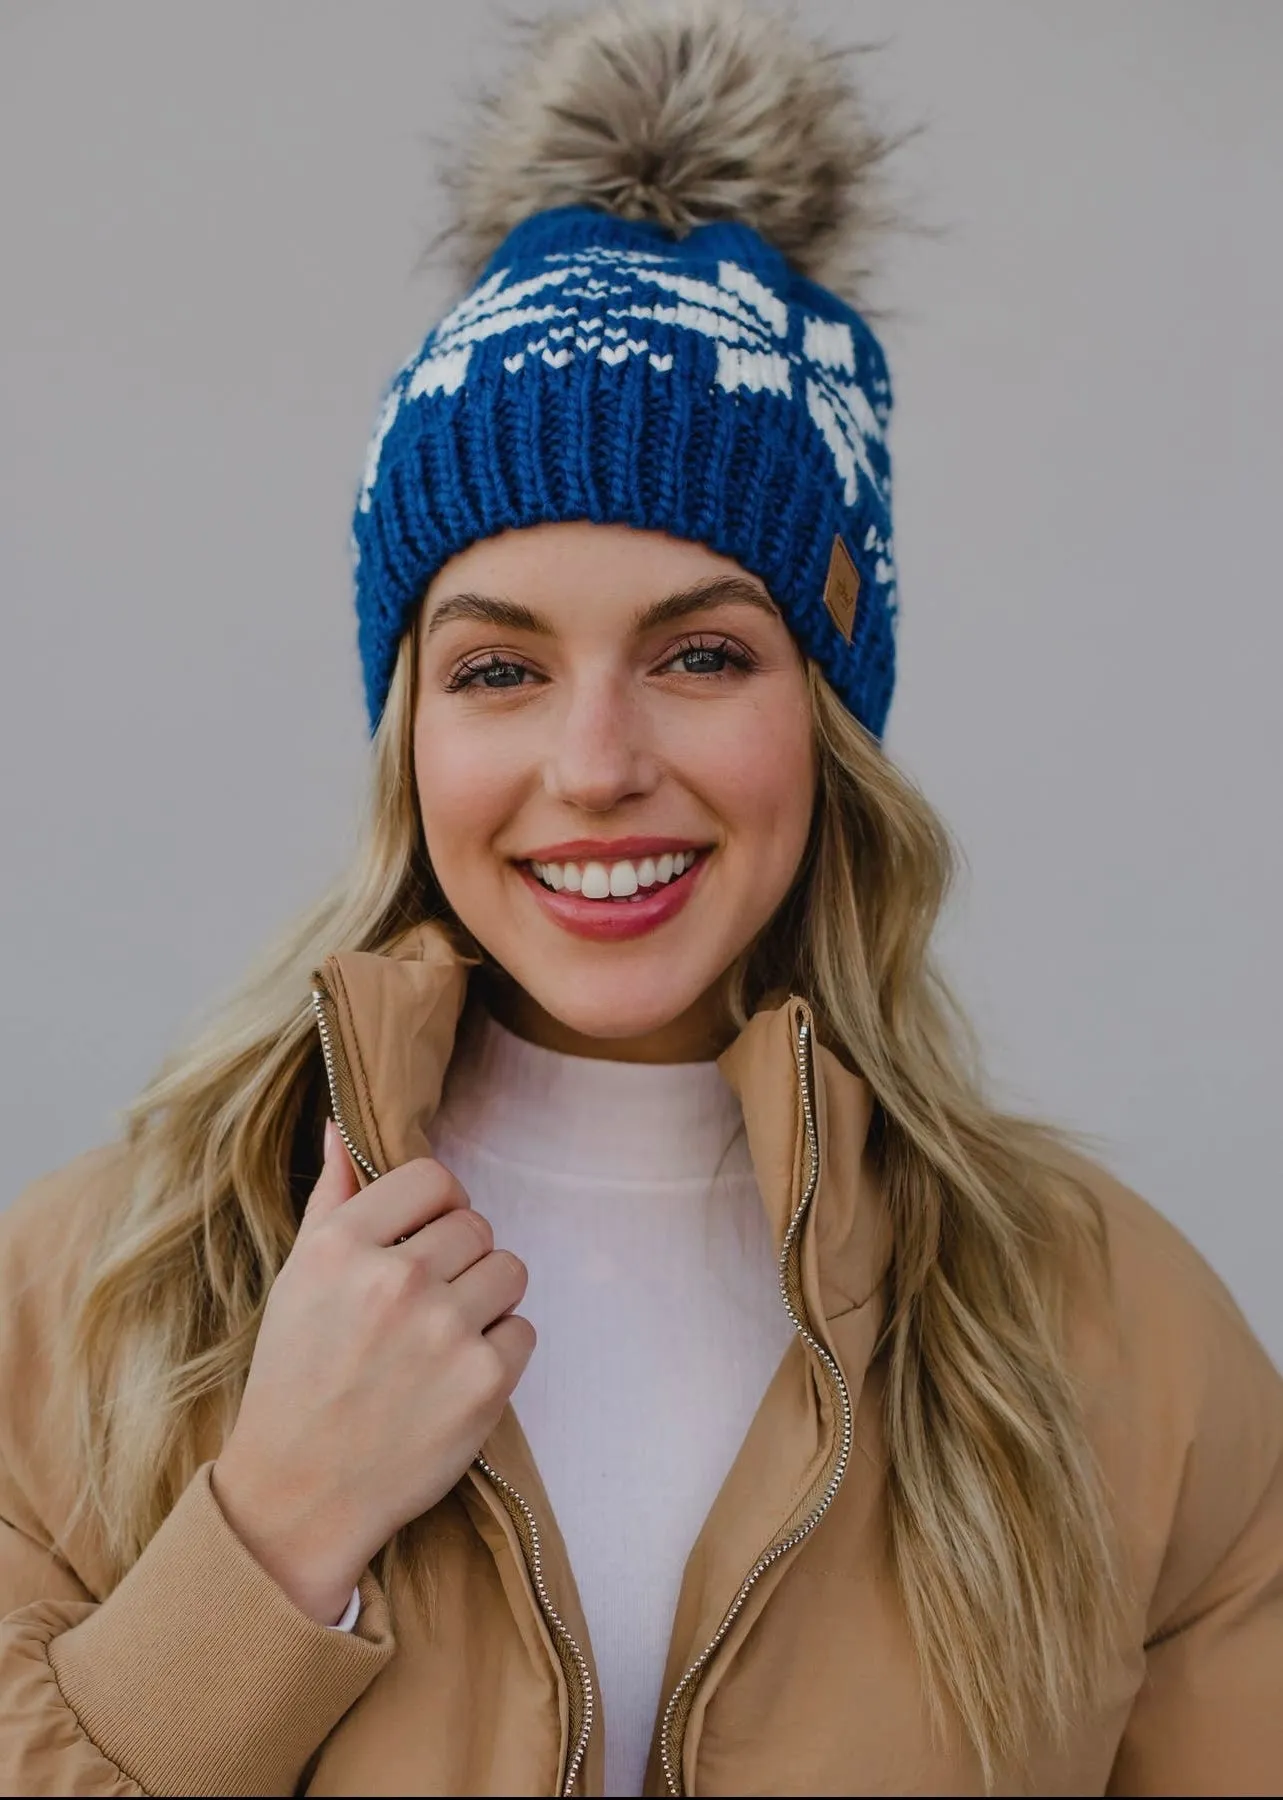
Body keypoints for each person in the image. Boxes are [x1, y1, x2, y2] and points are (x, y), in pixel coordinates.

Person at [1, 2, 1279, 1795]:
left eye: (697, 653)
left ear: (827, 718)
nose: (594, 763)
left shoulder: (1125, 1346)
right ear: (410, 733)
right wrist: (275, 1529)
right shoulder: (88, 1301)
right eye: (498, 670)